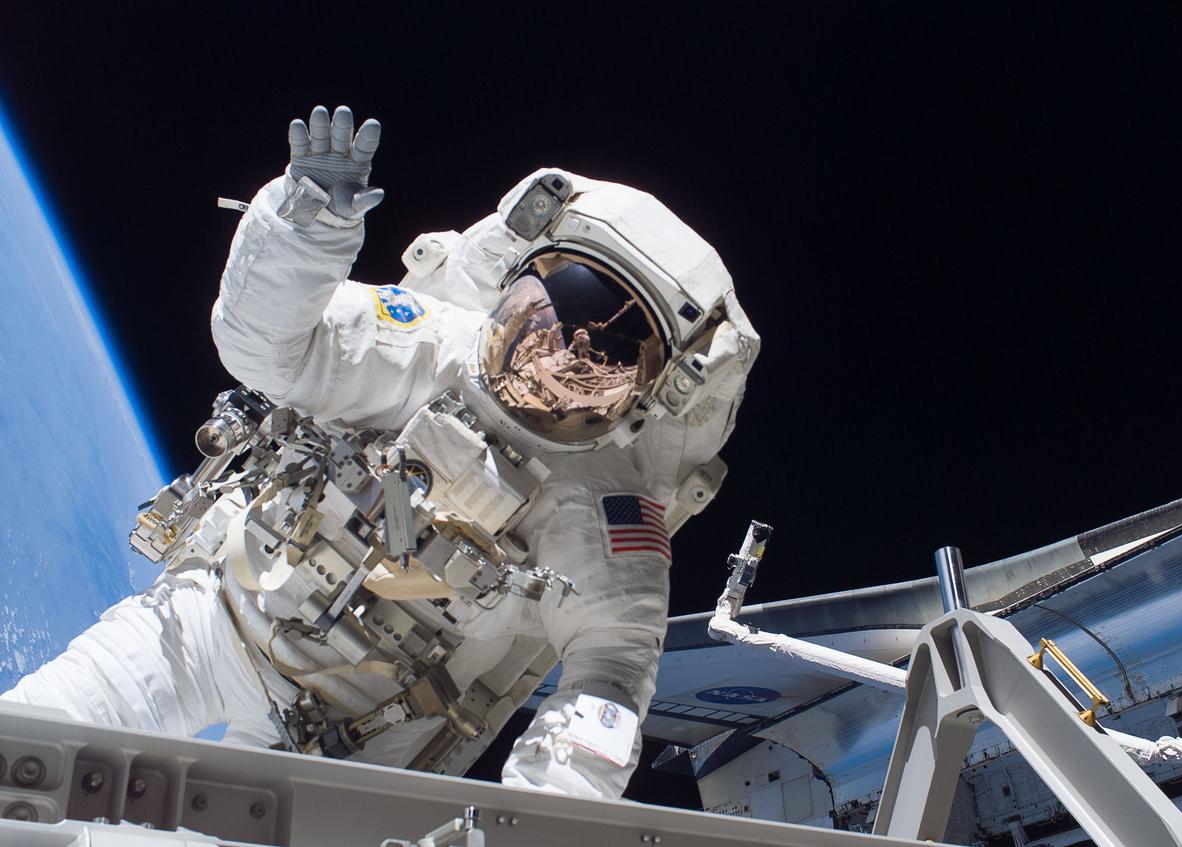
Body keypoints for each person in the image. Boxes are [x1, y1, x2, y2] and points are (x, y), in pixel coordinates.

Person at [2, 106, 758, 800]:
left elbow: (608, 679)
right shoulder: (428, 345)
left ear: (648, 395)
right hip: (220, 616)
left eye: (611, 347)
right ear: (514, 282)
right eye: (558, 305)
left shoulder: (605, 510)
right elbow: (268, 346)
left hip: (347, 738)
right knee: (23, 748)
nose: (564, 348)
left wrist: (532, 815)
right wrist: (307, 228)